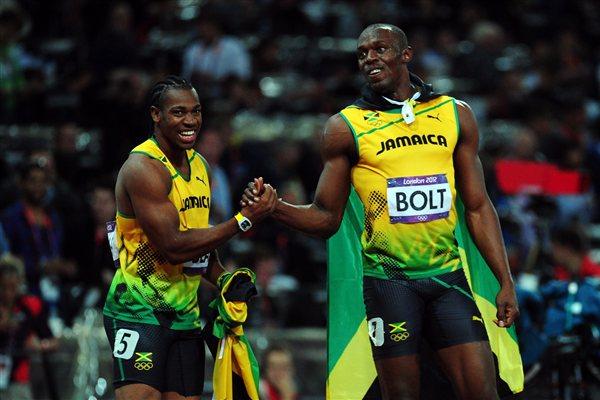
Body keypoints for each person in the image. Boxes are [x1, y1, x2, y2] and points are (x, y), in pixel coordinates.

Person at [242, 24, 519, 399]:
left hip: (447, 278)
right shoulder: (346, 127)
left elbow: (478, 205)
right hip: (390, 284)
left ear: (406, 54)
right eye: (362, 53)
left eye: (380, 49)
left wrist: (505, 280)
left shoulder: (455, 114)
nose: (370, 57)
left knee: (483, 392)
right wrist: (276, 208)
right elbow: (326, 218)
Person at [102, 75, 277, 400]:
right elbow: (173, 246)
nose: (191, 121)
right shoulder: (143, 168)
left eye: (195, 111)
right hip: (138, 310)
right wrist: (242, 222)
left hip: (185, 315)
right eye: (179, 112)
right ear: (157, 115)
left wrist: (224, 278)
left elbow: (200, 247)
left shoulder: (201, 167)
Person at [0, 254, 58, 400]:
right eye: (3, 287)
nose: (8, 293)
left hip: (19, 380)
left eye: (12, 287)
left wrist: (40, 345)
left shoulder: (30, 306)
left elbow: (53, 341)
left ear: (20, 283)